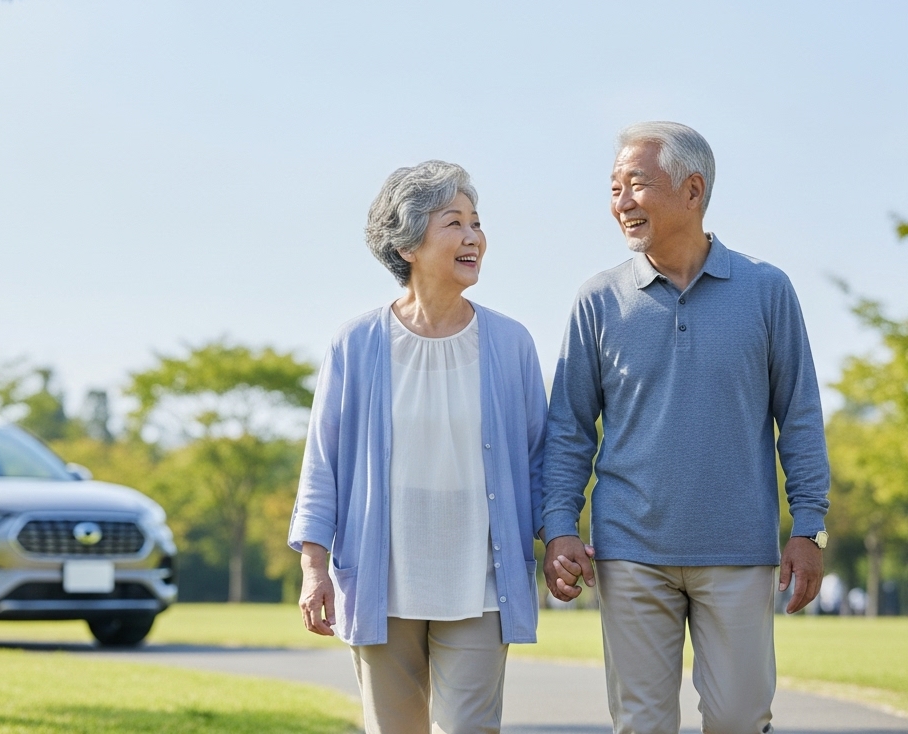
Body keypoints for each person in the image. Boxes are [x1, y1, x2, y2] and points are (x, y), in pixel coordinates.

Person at [542, 122, 831, 733]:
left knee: (739, 718)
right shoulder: (598, 300)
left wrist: (811, 527)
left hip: (738, 549)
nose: (621, 201)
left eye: (637, 184)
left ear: (693, 190)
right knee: (641, 724)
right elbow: (569, 429)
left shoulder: (766, 290)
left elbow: (799, 416)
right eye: (614, 186)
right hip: (629, 553)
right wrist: (559, 528)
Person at [289, 160, 547, 733]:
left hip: (480, 581)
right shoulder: (356, 343)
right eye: (453, 222)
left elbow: (539, 462)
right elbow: (323, 464)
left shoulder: (510, 343)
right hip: (382, 579)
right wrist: (313, 567)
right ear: (407, 244)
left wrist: (558, 537)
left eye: (476, 222)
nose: (473, 236)